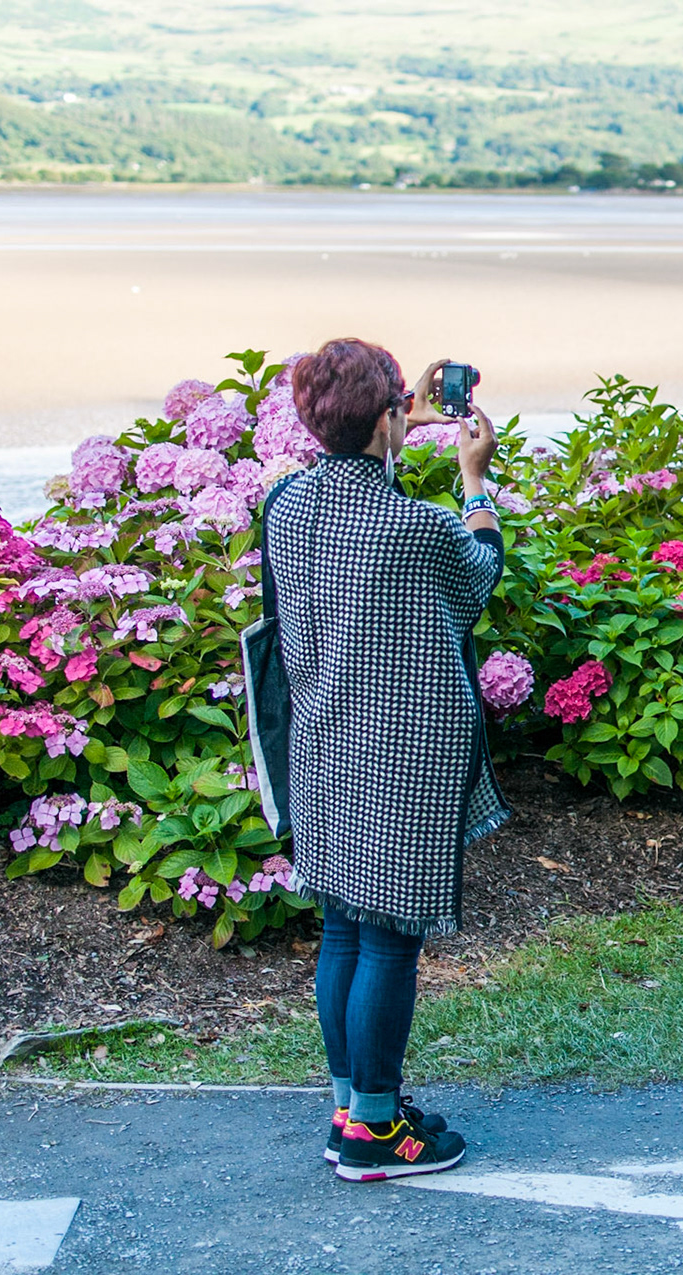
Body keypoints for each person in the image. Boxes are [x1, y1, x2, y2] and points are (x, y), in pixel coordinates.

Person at [263, 339, 508, 1181]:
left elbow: (353, 483)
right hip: (400, 753)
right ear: (383, 420)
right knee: (392, 940)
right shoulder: (416, 527)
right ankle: (375, 1133)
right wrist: (475, 481)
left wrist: (401, 420)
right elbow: (479, 575)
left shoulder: (286, 506)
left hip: (320, 743)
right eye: (399, 405)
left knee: (342, 924)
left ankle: (352, 1105)